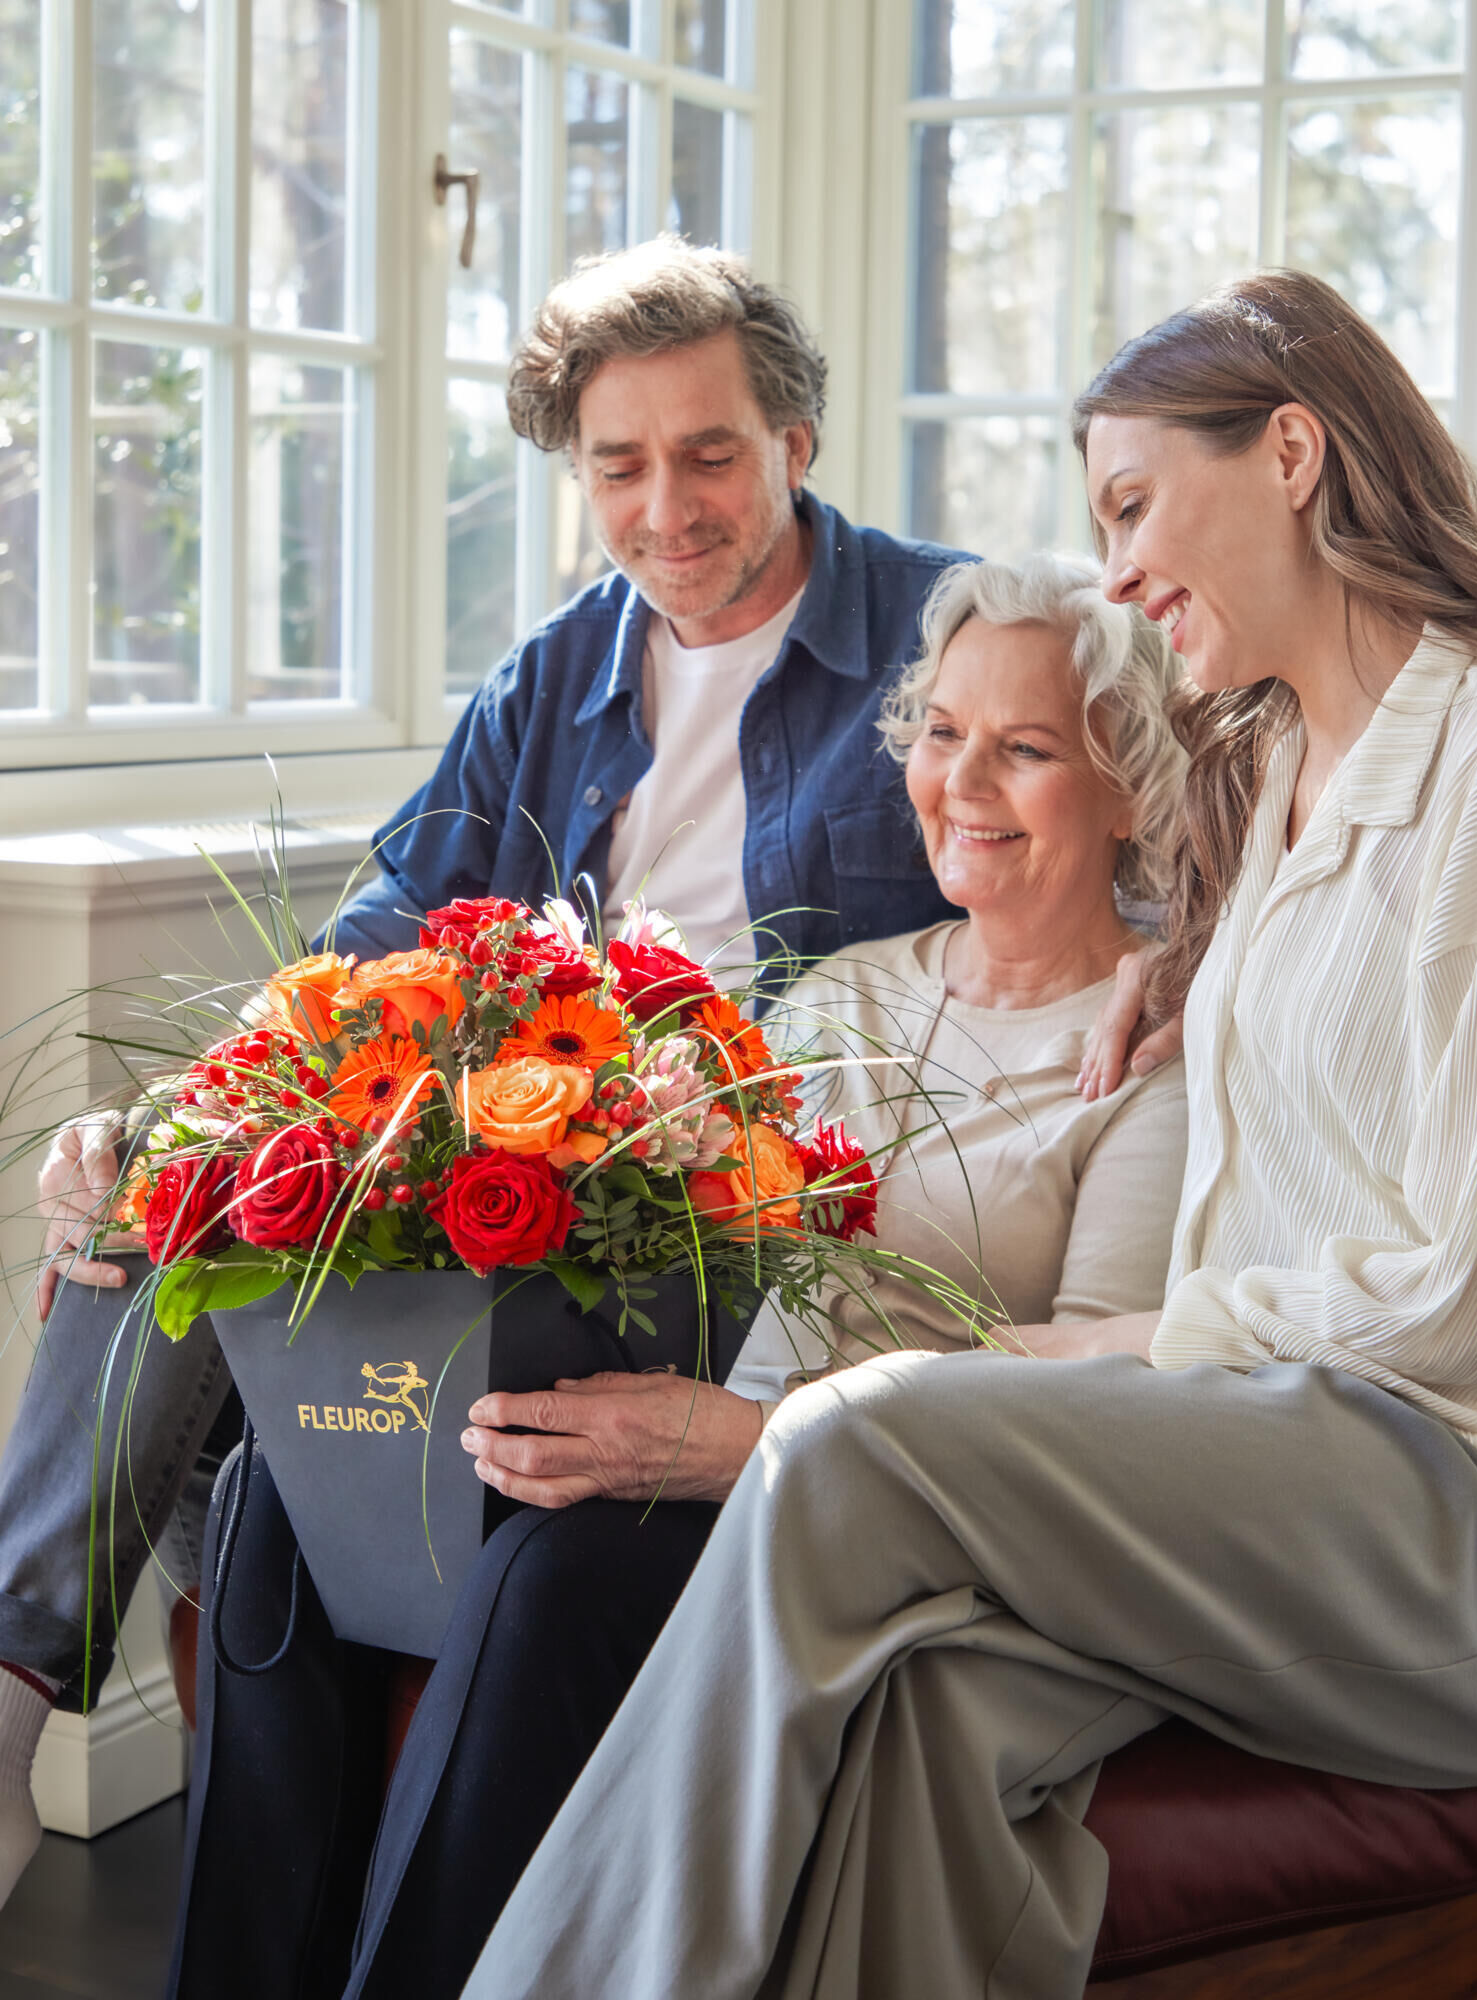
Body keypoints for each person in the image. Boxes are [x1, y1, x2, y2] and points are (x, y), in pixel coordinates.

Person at [452, 269, 1477, 2000]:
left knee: (843, 1443)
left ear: (1296, 452)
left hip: (1433, 1499)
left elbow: (1450, 1294)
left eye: (1135, 503)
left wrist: (1132, 1338)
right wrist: (1200, 971)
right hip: (1260, 1460)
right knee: (928, 1700)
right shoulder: (1276, 771)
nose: (1121, 565)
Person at [0, 238, 982, 1908]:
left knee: (267, 1456)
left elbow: (1105, 848)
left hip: (741, 1207)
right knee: (185, 1180)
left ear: (798, 444)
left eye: (712, 453)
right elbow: (367, 950)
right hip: (523, 1171)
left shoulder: (935, 633)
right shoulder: (557, 670)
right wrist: (171, 1124)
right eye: (619, 465)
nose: (666, 507)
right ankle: (15, 1690)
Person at [165, 550, 1190, 1999]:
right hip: (698, 1418)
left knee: (563, 1566)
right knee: (283, 1494)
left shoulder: (1154, 1061)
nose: (961, 782)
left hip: (880, 1508)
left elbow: (1095, 1392)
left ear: (1132, 787)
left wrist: (758, 1445)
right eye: (943, 733)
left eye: (1023, 750)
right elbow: (705, 1249)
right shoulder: (847, 989)